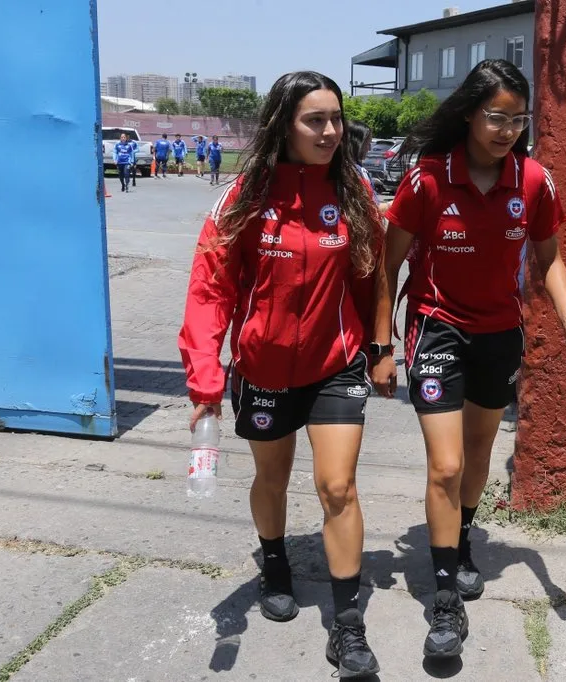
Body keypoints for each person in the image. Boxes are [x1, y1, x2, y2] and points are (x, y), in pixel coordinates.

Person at [369, 59, 566, 659]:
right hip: (436, 330)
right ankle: (444, 601)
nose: (506, 130)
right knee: (444, 465)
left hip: (499, 335)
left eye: (518, 120)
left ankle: (462, 536)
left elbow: (548, 260)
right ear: (470, 114)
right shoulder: (427, 180)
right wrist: (383, 346)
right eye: (496, 117)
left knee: (477, 454)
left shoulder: (533, 181)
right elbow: (387, 265)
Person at [178, 70, 389, 679]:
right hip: (263, 367)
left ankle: (348, 628)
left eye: (335, 119)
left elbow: (372, 277)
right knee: (271, 479)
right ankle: (275, 563)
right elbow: (209, 290)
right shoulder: (244, 196)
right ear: (284, 125)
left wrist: (380, 347)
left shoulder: (353, 192)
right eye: (314, 120)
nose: (329, 131)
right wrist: (205, 380)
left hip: (334, 364)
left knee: (338, 487)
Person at [345, 120, 391, 214]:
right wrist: (393, 204)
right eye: (367, 143)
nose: (369, 148)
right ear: (357, 143)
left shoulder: (338, 168)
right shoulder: (357, 172)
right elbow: (372, 209)